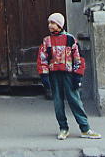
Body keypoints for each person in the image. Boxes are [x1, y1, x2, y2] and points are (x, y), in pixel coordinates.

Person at [37, 12, 101, 140]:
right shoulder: (47, 41)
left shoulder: (70, 39)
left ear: (60, 25)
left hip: (68, 75)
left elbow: (78, 58)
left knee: (75, 101)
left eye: (53, 23)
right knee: (58, 103)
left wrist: (78, 75)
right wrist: (44, 75)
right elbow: (42, 59)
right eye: (49, 23)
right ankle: (63, 128)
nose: (50, 25)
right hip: (54, 75)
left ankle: (85, 128)